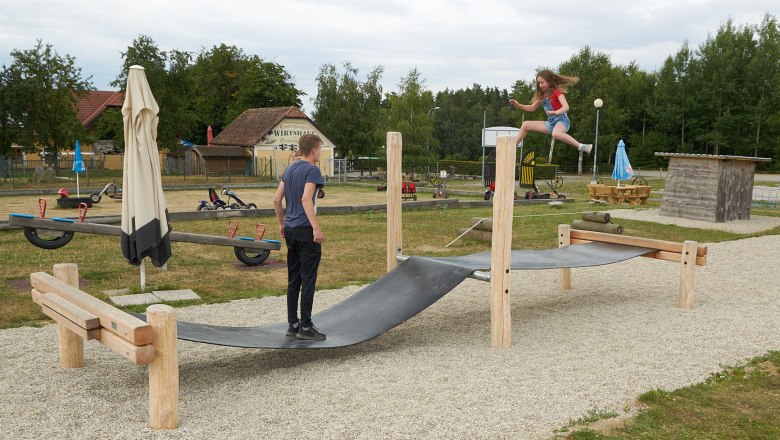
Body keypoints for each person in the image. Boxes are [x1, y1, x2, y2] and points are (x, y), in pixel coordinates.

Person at [273, 134, 327, 341]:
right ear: (313, 150)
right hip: (305, 230)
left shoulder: (290, 169)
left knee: (293, 278)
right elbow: (306, 199)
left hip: (291, 230)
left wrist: (281, 224)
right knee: (308, 278)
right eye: (320, 149)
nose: (320, 153)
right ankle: (306, 326)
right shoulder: (312, 170)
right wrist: (316, 228)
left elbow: (277, 199)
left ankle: (292, 324)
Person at [509, 69, 592, 154]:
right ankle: (512, 148)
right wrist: (518, 105)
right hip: (551, 123)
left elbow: (566, 107)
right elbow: (532, 108)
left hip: (562, 121)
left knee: (555, 134)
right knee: (525, 124)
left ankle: (581, 146)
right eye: (538, 83)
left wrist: (557, 112)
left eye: (542, 82)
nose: (540, 85)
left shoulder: (557, 93)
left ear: (549, 82)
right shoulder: (542, 95)